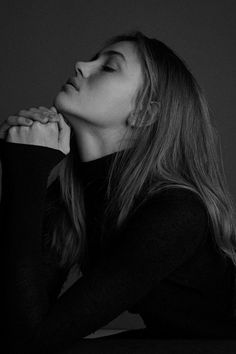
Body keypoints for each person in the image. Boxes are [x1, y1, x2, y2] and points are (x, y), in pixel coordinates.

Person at [0, 30, 235, 354]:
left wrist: (24, 169)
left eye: (109, 67)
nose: (81, 64)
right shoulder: (72, 194)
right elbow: (18, 320)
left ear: (144, 113)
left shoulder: (176, 210)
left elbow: (28, 340)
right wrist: (25, 168)